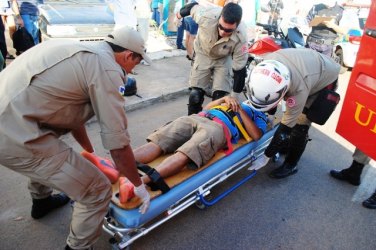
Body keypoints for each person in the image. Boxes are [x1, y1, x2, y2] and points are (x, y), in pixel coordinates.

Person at [0, 26, 152, 250]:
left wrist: (90, 154)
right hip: (13, 133)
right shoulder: (109, 70)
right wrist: (139, 186)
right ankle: (78, 248)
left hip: (15, 115)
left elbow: (73, 114)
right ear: (128, 55)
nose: (132, 71)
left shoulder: (81, 49)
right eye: (136, 63)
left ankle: (41, 202)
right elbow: (118, 145)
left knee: (51, 145)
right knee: (96, 190)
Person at [117, 95, 268, 199]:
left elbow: (256, 135)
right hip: (198, 117)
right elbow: (206, 108)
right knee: (159, 142)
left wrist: (239, 111)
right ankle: (114, 165)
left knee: (186, 153)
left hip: (218, 128)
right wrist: (224, 99)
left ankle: (136, 184)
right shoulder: (234, 100)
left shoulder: (261, 116)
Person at [247, 48, 340, 179]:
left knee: (300, 124)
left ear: (285, 91)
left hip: (325, 78)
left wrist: (266, 156)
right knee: (289, 125)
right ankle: (285, 145)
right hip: (307, 67)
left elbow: (285, 128)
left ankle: (291, 165)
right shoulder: (265, 66)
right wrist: (270, 115)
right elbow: (269, 96)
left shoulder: (298, 90)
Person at [176, 2, 248, 115]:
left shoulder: (241, 36)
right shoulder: (206, 16)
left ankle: (213, 125)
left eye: (228, 30)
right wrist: (178, 16)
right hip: (203, 53)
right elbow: (192, 7)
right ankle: (192, 121)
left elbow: (240, 70)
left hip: (224, 58)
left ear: (236, 26)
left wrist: (234, 97)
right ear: (220, 18)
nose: (223, 32)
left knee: (220, 97)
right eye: (221, 27)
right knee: (195, 95)